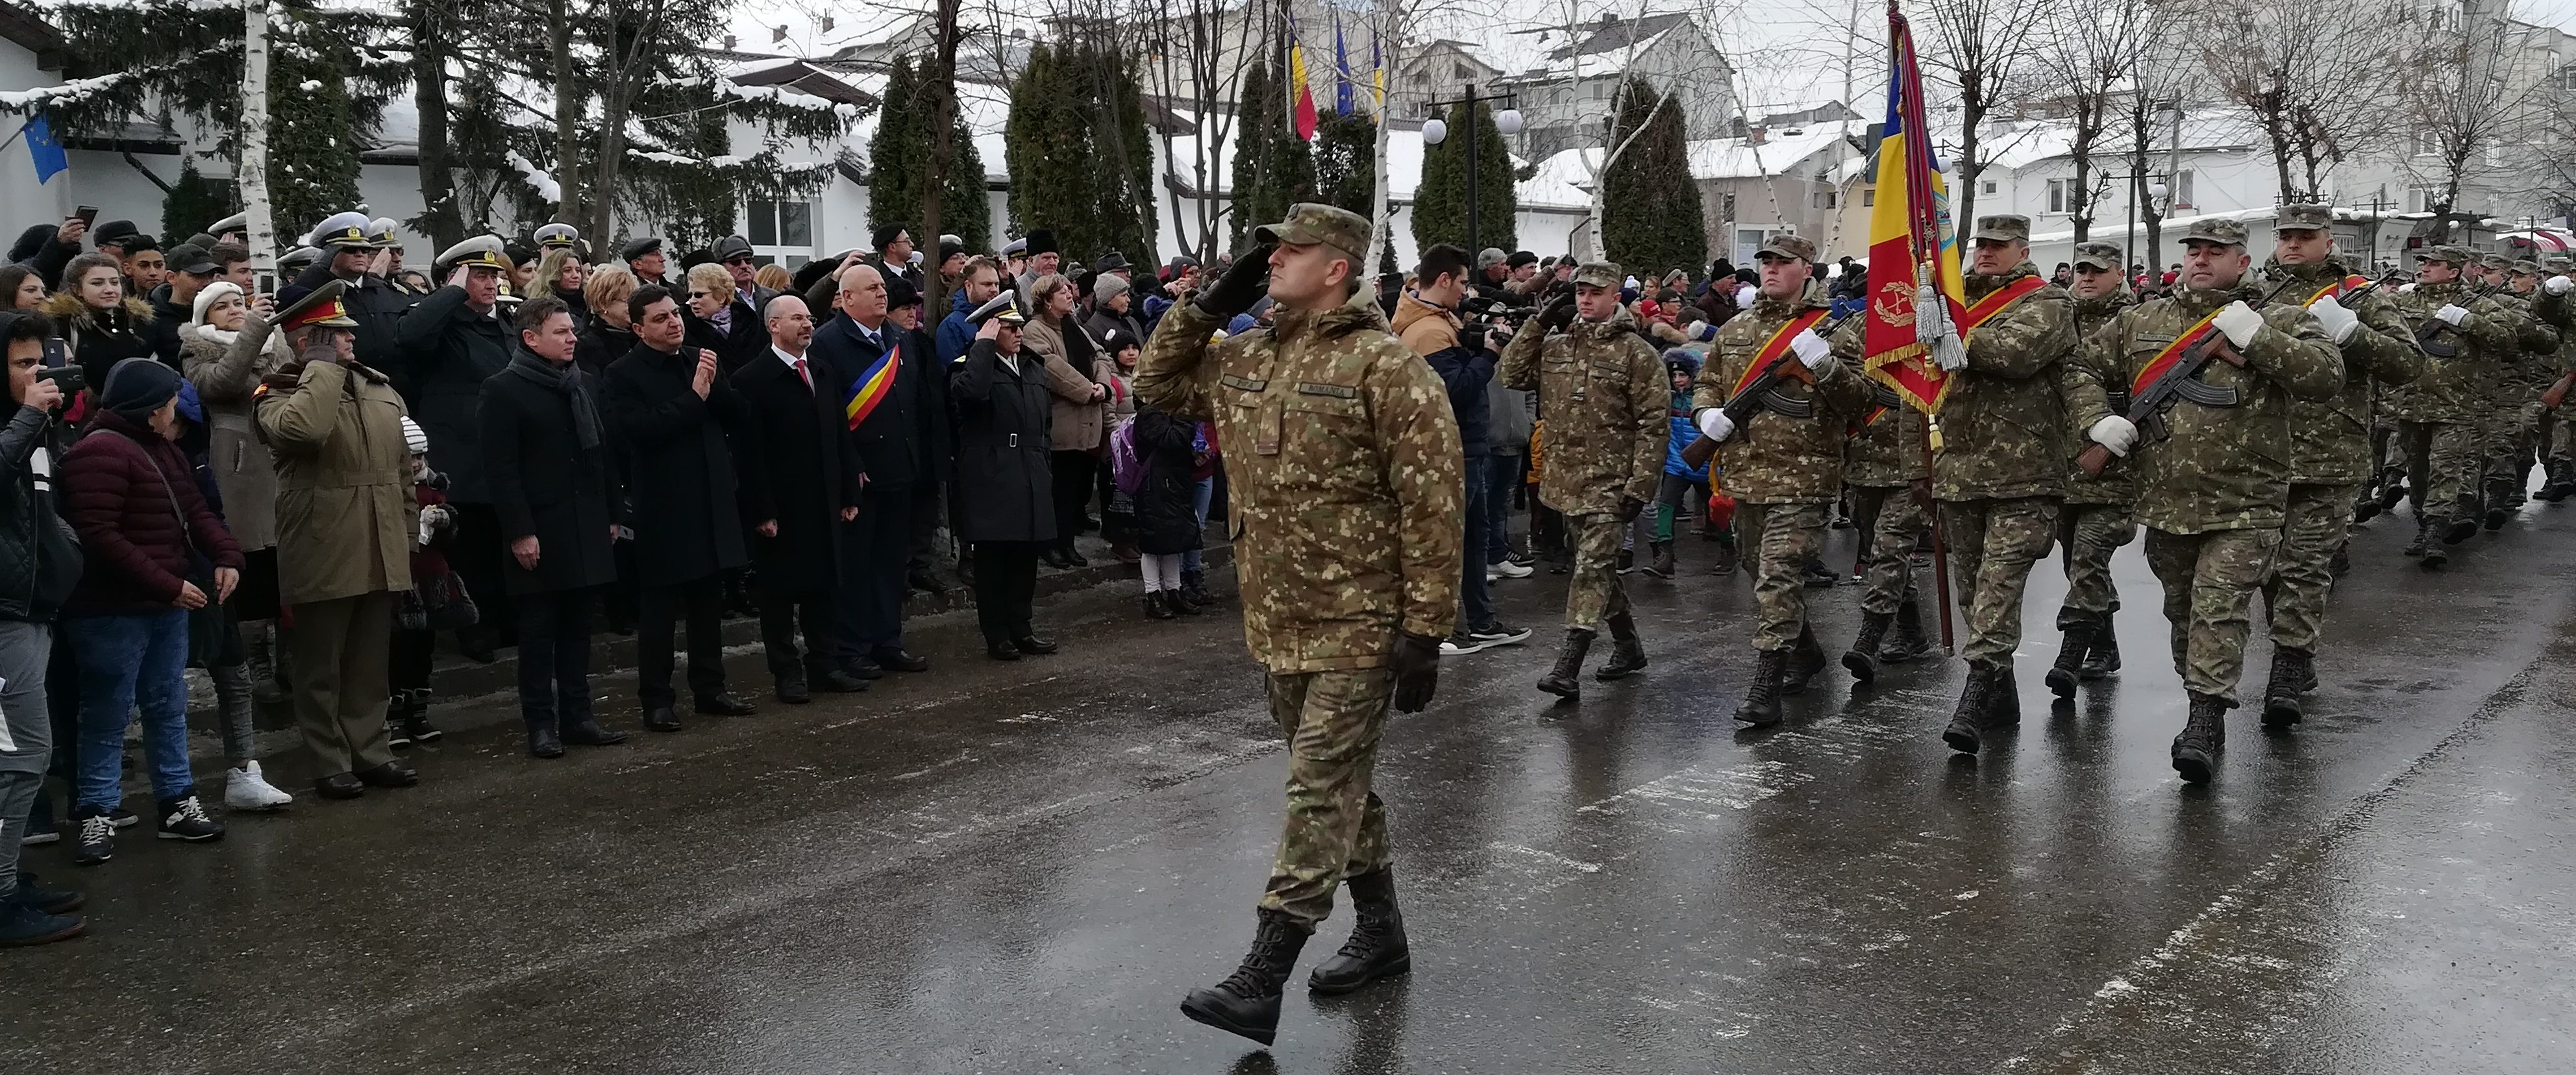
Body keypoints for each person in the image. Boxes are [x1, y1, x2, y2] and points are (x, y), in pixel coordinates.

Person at [1141, 204, 1461, 1046]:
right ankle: (1384, 932)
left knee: (1318, 788)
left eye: (1291, 251)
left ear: (1337, 268)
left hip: (1362, 621)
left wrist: (1425, 631)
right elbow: (1157, 384)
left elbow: (1434, 508)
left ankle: (1263, 975)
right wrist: (1210, 302)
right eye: (1269, 251)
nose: (1274, 259)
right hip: (1279, 621)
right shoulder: (1245, 353)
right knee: (1341, 784)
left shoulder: (1388, 368)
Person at [2062, 217, 2341, 784]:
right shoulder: (2143, 318)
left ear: (2243, 262)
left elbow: (2325, 377)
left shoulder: (2280, 318)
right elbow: (2080, 366)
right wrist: (2098, 421)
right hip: (2166, 504)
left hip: (2247, 504)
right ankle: (2201, 698)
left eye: (2217, 252)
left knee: (2220, 610)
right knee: (2184, 613)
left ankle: (2205, 721)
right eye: (2195, 251)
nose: (2201, 261)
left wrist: (2256, 337)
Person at [59, 356, 240, 863]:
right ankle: (96, 811)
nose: (173, 413)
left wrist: (226, 555)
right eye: (167, 404)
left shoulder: (161, 449)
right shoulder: (97, 453)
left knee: (167, 705)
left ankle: (177, 801)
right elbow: (99, 537)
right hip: (109, 610)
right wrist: (167, 585)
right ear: (149, 408)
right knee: (106, 712)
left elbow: (196, 510)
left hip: (164, 602)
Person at [2248, 208, 2422, 728]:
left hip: (2330, 454)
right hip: (2259, 452)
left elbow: (2407, 363)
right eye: (2287, 236)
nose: (2294, 245)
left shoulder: (2362, 296)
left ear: (2328, 241)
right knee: (2265, 567)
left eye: (2306, 237)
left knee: (2305, 566)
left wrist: (2352, 333)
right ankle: (2292, 652)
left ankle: (2290, 665)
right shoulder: (2254, 292)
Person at [1689, 234, 1872, 726]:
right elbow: (1710, 380)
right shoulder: (1738, 328)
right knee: (1756, 568)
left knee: (1778, 575)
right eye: (1765, 262)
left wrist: (1827, 367)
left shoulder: (1835, 332)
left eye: (1781, 262)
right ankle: (1807, 651)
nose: (1770, 270)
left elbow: (1860, 402)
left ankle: (1766, 684)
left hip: (1806, 477)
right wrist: (1705, 413)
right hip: (1746, 475)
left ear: (1806, 267)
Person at [256, 282, 420, 798]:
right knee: (320, 664)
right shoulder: (277, 392)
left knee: (370, 663)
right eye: (337, 335)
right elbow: (303, 432)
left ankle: (371, 752)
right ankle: (329, 760)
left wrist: (409, 535)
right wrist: (321, 369)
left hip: (380, 536)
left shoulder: (378, 388)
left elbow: (403, 472)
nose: (351, 340)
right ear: (308, 342)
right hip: (323, 538)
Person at [1921, 215, 2077, 754]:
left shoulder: (2049, 302)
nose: (1985, 253)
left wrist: (1946, 327)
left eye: (1997, 246)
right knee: (1972, 591)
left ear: (2023, 249)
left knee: (1997, 589)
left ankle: (1976, 688)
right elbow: (1920, 393)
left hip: (2024, 475)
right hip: (1960, 474)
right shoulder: (1952, 304)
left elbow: (2015, 354)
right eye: (1980, 245)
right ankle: (2002, 691)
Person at [1502, 261, 1670, 699]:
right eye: (1580, 292)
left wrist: (1641, 484)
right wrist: (1539, 324)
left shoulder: (1638, 354)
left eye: (1596, 292)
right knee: (1593, 567)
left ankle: (1569, 662)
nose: (1585, 299)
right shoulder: (1558, 345)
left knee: (1592, 567)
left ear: (1616, 295)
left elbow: (1654, 425)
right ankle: (1629, 646)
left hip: (1612, 482)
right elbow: (1510, 374)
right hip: (1565, 481)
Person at [602, 285, 760, 730]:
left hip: (711, 501)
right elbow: (640, 431)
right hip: (664, 509)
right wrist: (695, 397)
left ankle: (711, 689)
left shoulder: (699, 356)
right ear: (638, 328)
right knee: (659, 613)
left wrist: (715, 387)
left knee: (708, 605)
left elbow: (737, 416)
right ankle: (656, 700)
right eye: (660, 319)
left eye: (675, 314)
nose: (674, 323)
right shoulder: (622, 374)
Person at [480, 295, 632, 756]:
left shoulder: (582, 381)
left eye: (572, 331)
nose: (573, 339)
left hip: (585, 524)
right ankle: (541, 724)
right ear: (530, 338)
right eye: (562, 333)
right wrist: (520, 532)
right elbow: (501, 471)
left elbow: (602, 454)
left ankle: (579, 716)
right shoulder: (503, 389)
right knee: (539, 631)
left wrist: (612, 514)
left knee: (578, 628)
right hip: (541, 528)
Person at [176, 279, 301, 808]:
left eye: (239, 303)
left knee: (289, 565)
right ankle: (258, 665)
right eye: (222, 306)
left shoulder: (274, 342)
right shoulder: (195, 349)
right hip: (238, 461)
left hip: (280, 451)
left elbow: (292, 381)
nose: (234, 311)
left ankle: (290, 664)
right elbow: (224, 384)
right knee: (248, 564)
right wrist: (256, 328)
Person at [731, 293, 867, 702]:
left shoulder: (822, 371)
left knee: (823, 589)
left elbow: (840, 436)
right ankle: (786, 673)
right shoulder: (752, 379)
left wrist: (848, 490)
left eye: (809, 318)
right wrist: (762, 509)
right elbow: (748, 454)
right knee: (779, 596)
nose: (808, 325)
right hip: (781, 507)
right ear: (774, 326)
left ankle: (824, 665)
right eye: (797, 319)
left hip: (824, 501)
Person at [0, 309, 87, 943]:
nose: (37, 374)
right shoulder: (20, 424)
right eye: (21, 364)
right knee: (22, 757)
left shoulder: (31, 428)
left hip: (31, 609)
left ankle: (10, 878)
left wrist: (67, 550)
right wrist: (30, 416)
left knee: (26, 755)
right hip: (3, 617)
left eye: (40, 362)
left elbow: (42, 510)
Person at [1396, 244, 1528, 658]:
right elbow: (1455, 391)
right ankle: (1442, 630)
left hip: (1465, 445)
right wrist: (1489, 353)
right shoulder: (1430, 331)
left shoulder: (1437, 321)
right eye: (1463, 282)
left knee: (1473, 540)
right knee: (1447, 545)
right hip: (1448, 447)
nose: (1465, 290)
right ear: (1444, 280)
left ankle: (1481, 623)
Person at [810, 264, 937, 677]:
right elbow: (828, 417)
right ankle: (852, 647)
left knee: (890, 562)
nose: (883, 294)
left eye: (883, 287)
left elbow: (915, 405)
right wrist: (851, 469)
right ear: (847, 299)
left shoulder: (902, 338)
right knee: (856, 564)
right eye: (872, 288)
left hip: (900, 468)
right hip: (860, 475)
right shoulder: (827, 343)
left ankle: (888, 640)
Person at [394, 236, 516, 661]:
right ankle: (474, 629)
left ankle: (506, 622)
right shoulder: (438, 324)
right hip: (462, 457)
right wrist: (451, 291)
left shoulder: (505, 322)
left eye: (493, 275)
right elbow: (410, 338)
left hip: (504, 453)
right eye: (479, 275)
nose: (490, 282)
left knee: (506, 545)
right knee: (471, 550)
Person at [2048, 241, 2142, 692]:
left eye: (2097, 271)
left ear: (2118, 273)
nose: (2085, 278)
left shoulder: (2139, 322)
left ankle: (2070, 655)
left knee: (2089, 556)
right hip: (2061, 463)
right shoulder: (2057, 318)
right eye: (2080, 270)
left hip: (2117, 465)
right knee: (2076, 562)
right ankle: (2106, 647)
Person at [948, 296, 1058, 659]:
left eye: (1019, 326)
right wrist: (981, 346)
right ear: (990, 330)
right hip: (992, 473)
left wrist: (1042, 460)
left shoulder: (1032, 367)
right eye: (1009, 328)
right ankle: (997, 633)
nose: (1018, 333)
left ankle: (1022, 627)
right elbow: (972, 395)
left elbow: (1045, 424)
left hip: (1030, 470)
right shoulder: (969, 367)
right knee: (994, 561)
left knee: (1025, 559)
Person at [2389, 247, 2512, 567]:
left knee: (2446, 470)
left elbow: (2507, 340)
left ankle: (2434, 531)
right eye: (2423, 263)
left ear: (2455, 271)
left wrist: (2468, 321)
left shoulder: (2478, 305)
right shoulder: (2403, 302)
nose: (2425, 268)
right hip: (2410, 402)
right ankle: (2422, 521)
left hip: (2456, 404)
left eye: (2434, 264)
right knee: (2417, 473)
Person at [1024, 272, 1110, 568]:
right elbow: (1051, 368)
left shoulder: (1074, 327)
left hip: (1087, 421)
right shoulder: (1035, 330)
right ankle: (1051, 545)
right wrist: (1089, 391)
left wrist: (1103, 386)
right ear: (1047, 301)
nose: (1070, 295)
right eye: (1062, 292)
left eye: (1069, 291)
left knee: (1074, 490)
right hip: (1061, 423)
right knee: (1057, 490)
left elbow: (1099, 356)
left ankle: (1068, 543)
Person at [42, 253, 156, 393]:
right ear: (77, 289)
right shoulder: (61, 325)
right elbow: (59, 381)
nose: (109, 290)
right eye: (98, 283)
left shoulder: (139, 320)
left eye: (115, 282)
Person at [682, 261, 769, 373]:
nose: (692, 301)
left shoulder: (749, 320)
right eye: (690, 295)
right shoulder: (685, 326)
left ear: (722, 297)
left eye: (699, 295)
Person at [936, 256, 1004, 364]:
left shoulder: (1002, 317)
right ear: (968, 286)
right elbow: (951, 372)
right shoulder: (951, 325)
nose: (994, 290)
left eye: (997, 284)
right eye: (987, 284)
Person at [575, 265, 638, 376]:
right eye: (626, 301)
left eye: (634, 300)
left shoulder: (642, 335)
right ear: (603, 304)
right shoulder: (585, 346)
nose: (633, 306)